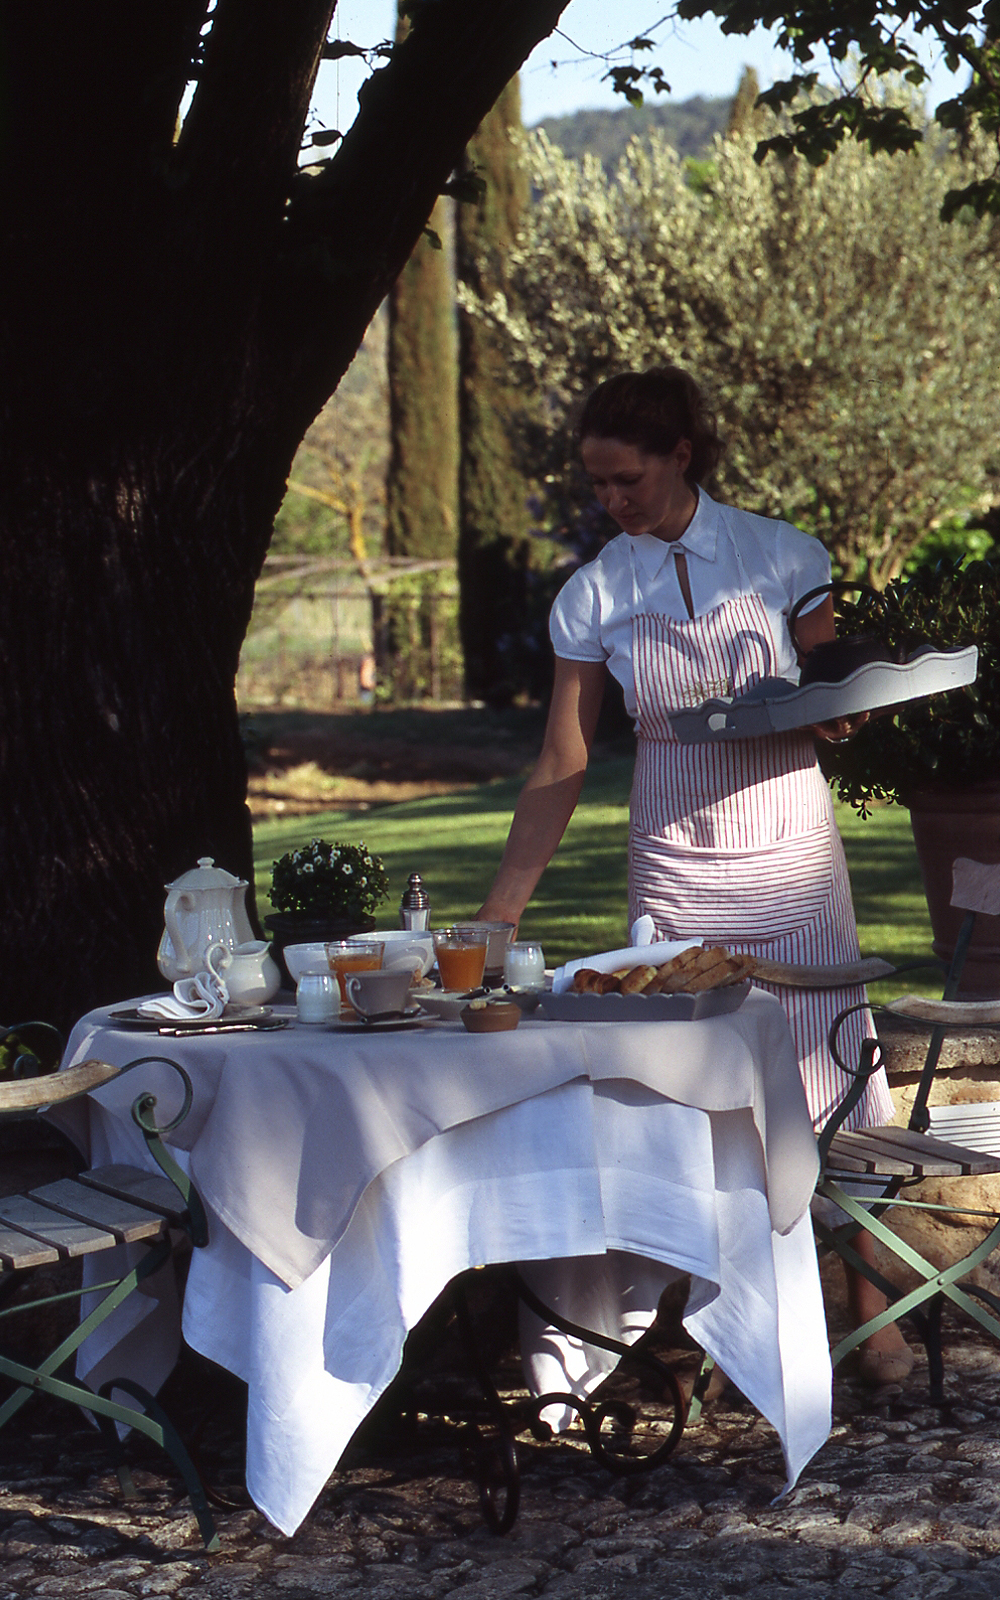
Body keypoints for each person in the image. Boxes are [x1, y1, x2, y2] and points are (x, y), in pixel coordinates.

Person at [478, 366, 912, 1386]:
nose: (610, 502)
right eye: (596, 485)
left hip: (789, 849)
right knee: (671, 1097)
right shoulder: (593, 591)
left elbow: (827, 689)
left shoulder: (780, 552)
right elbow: (563, 758)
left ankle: (868, 1305)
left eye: (625, 479)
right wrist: (501, 911)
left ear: (680, 455)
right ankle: (687, 1322)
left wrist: (836, 709)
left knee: (828, 1072)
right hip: (672, 860)